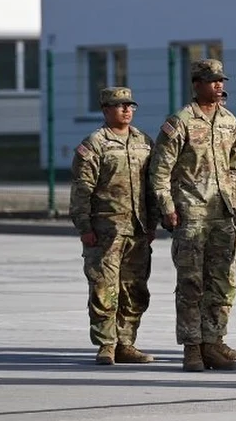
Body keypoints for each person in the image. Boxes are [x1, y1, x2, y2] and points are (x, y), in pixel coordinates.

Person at [149, 59, 236, 372]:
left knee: (222, 282)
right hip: (191, 212)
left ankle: (213, 343)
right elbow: (160, 171)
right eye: (212, 81)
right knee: (191, 283)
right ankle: (192, 347)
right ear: (196, 84)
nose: (219, 86)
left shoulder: (229, 121)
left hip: (224, 213)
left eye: (221, 80)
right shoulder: (180, 122)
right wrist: (167, 207)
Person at [69, 86, 158, 366]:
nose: (127, 110)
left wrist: (153, 223)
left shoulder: (144, 142)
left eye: (130, 106)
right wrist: (84, 227)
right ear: (105, 110)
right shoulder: (95, 144)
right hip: (105, 230)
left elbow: (153, 186)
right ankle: (106, 344)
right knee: (104, 288)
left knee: (134, 289)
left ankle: (126, 343)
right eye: (120, 106)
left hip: (137, 229)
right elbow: (82, 190)